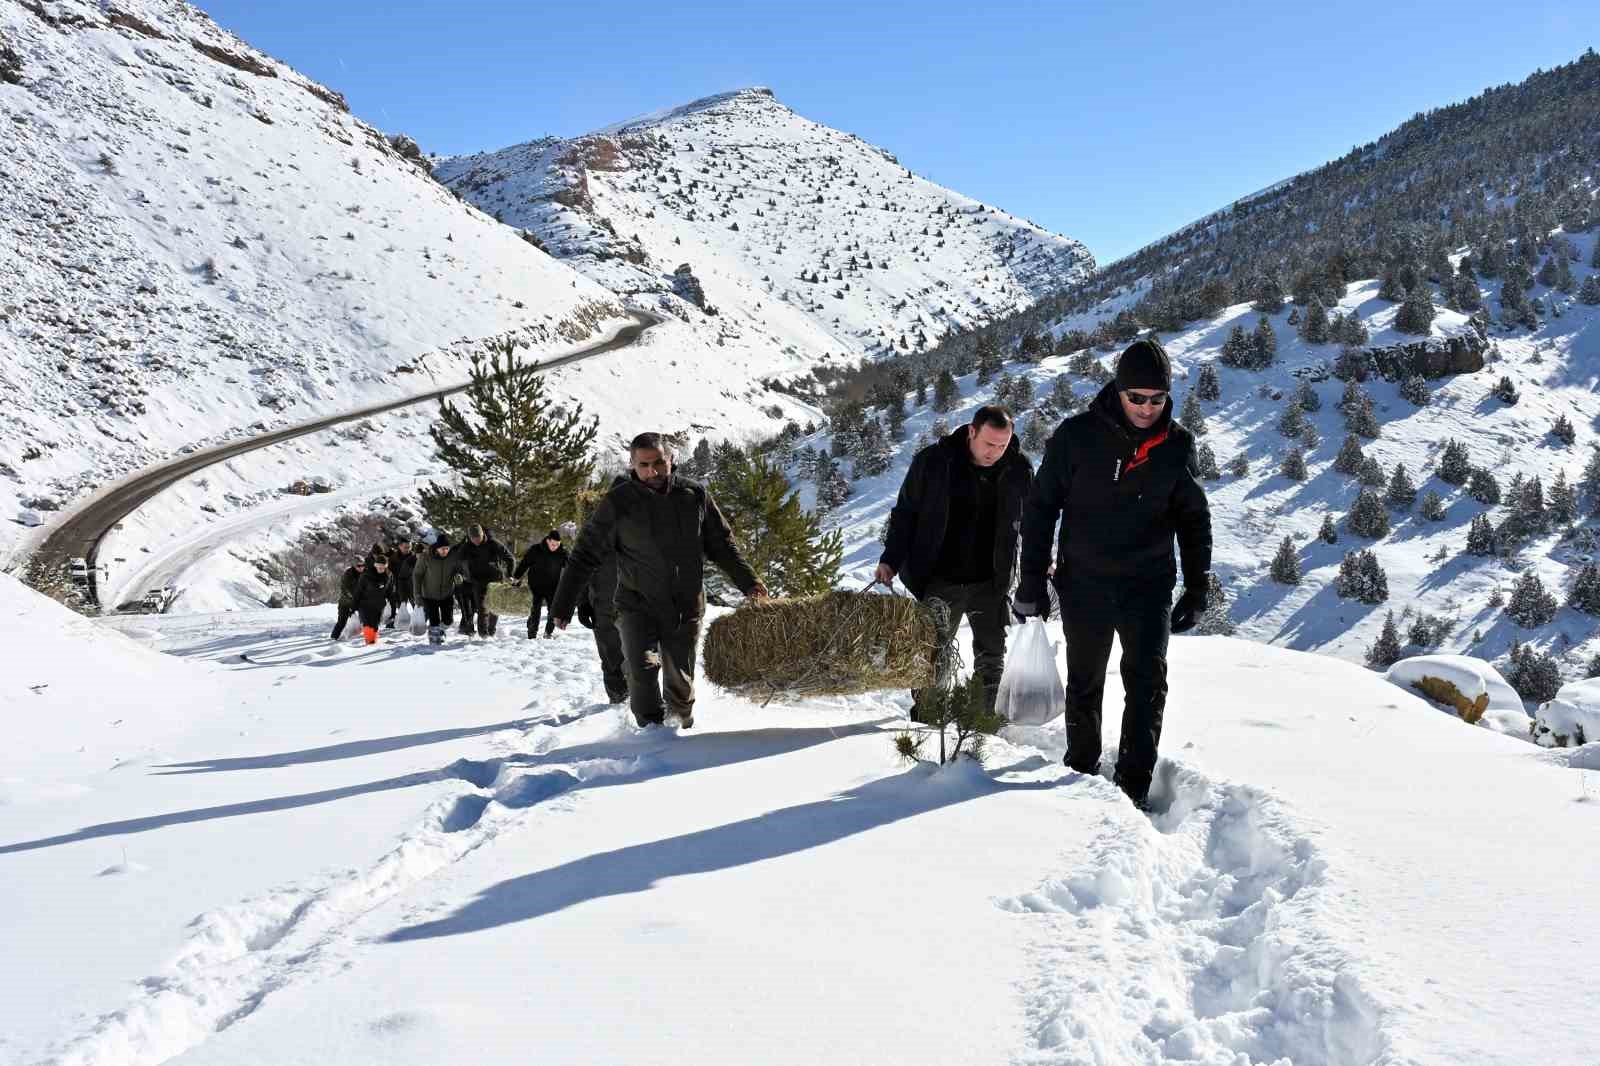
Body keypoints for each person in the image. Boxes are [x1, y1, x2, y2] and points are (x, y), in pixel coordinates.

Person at [1014, 337, 1213, 810]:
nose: (1147, 408)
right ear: (1118, 391)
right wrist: (1032, 579)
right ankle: (1081, 770)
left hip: (1149, 583)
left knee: (1147, 681)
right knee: (1086, 680)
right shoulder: (1076, 436)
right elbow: (1041, 508)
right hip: (1085, 580)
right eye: (1137, 397)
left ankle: (1133, 787)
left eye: (1157, 399)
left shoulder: (1177, 445)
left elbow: (1193, 516)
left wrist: (1198, 583)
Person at [551, 433, 768, 728]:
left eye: (659, 463)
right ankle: (651, 733)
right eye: (644, 465)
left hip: (685, 603)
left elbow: (722, 545)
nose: (652, 472)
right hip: (636, 602)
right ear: (632, 464)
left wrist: (749, 582)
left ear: (671, 459)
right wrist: (564, 603)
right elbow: (585, 554)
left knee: (679, 676)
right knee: (640, 671)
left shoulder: (694, 496)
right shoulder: (618, 502)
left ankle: (679, 728)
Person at [875, 405, 1034, 716]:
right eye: (989, 444)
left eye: (1002, 445)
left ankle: (984, 723)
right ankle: (926, 719)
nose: (995, 452)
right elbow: (905, 514)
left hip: (991, 579)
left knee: (992, 656)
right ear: (971, 432)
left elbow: (1032, 521)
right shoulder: (935, 462)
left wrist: (1041, 561)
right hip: (939, 578)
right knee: (931, 652)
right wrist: (890, 560)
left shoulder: (1018, 468)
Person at [578, 475, 630, 704]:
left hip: (636, 603)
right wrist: (582, 603)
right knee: (611, 656)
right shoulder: (594, 531)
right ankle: (618, 701)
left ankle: (636, 700)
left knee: (640, 655)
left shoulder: (643, 529)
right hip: (603, 602)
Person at [454, 523, 514, 637]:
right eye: (473, 538)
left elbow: (510, 558)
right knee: (482, 608)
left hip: (495, 580)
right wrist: (460, 573)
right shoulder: (466, 547)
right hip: (478, 581)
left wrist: (510, 574)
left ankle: (491, 631)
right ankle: (483, 635)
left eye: (478, 538)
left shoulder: (493, 544)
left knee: (494, 608)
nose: (476, 540)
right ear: (469, 538)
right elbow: (457, 561)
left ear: (482, 535)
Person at [413, 534, 468, 645]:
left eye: (447, 548)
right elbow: (417, 575)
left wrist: (459, 576)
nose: (445, 551)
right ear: (437, 548)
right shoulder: (425, 557)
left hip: (447, 593)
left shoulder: (453, 557)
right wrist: (417, 594)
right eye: (442, 549)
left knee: (448, 620)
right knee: (434, 621)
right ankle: (434, 639)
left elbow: (459, 570)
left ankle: (439, 631)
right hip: (429, 594)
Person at [513, 529, 568, 639]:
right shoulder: (535, 550)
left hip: (553, 586)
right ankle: (532, 634)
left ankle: (548, 632)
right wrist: (516, 577)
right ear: (548, 541)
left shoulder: (562, 553)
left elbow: (571, 567)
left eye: (557, 545)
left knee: (553, 611)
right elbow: (524, 564)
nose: (555, 547)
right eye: (553, 544)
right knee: (535, 611)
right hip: (535, 586)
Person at [352, 550, 395, 645]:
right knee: (367, 625)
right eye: (379, 567)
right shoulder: (366, 575)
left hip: (378, 606)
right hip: (364, 605)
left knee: (375, 626)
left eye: (383, 567)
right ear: (375, 565)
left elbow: (390, 592)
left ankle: (372, 643)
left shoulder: (389, 575)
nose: (380, 569)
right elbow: (358, 591)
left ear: (386, 566)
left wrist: (393, 608)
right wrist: (353, 606)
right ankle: (370, 643)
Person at [331, 556, 367, 640]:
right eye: (359, 566)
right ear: (354, 565)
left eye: (363, 565)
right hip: (346, 603)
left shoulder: (366, 574)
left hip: (359, 602)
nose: (361, 567)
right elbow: (346, 590)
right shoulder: (348, 575)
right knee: (341, 622)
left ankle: (369, 638)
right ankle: (333, 639)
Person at [386, 539, 418, 628]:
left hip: (412, 584)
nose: (407, 549)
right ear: (400, 546)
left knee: (415, 604)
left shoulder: (414, 556)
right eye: (405, 547)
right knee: (400, 605)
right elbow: (389, 571)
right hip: (399, 585)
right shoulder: (393, 558)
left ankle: (418, 622)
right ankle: (401, 623)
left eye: (409, 547)